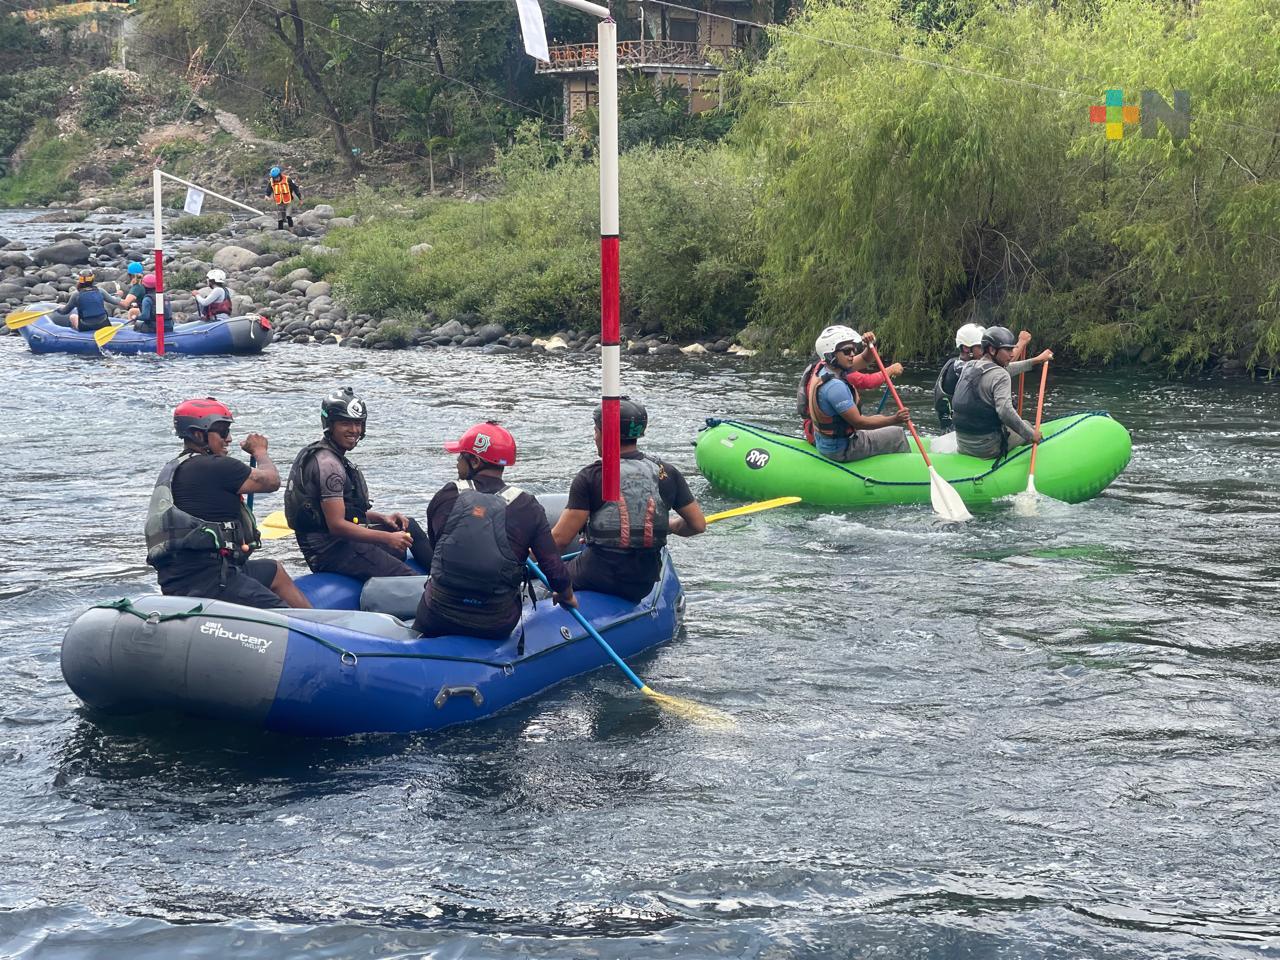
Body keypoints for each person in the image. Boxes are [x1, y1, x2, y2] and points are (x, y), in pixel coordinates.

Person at [145, 397, 311, 610]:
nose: (229, 438)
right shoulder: (215, 467)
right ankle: (306, 633)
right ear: (198, 434)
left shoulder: (176, 468)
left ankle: (323, 628)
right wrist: (260, 451)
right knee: (286, 619)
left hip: (186, 576)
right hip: (211, 581)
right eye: (222, 431)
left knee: (274, 571)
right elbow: (271, 481)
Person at [414, 421, 575, 640]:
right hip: (495, 622)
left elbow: (438, 549)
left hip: (437, 615)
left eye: (461, 456)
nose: (457, 463)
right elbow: (553, 567)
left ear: (475, 461)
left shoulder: (447, 495)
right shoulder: (527, 505)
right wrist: (566, 596)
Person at [551, 399, 706, 604]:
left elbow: (559, 541)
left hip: (597, 575)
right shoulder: (666, 472)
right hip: (643, 581)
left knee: (545, 581)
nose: (594, 436)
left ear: (603, 433)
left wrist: (522, 556)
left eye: (596, 430)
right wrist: (671, 525)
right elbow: (697, 525)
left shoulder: (592, 475)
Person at [284, 387, 432, 583]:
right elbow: (336, 525)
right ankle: (434, 597)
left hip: (341, 539)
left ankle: (445, 580)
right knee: (409, 579)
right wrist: (387, 538)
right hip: (328, 550)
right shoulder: (329, 466)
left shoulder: (332, 456)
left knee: (408, 525)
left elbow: (340, 512)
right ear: (330, 425)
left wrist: (382, 517)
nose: (354, 430)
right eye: (346, 423)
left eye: (358, 424)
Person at [805, 325, 912, 462]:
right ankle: (904, 474)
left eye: (853, 350)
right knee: (897, 434)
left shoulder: (826, 368)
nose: (852, 354)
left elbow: (866, 359)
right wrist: (895, 419)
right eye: (847, 351)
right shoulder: (834, 387)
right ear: (831, 354)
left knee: (879, 418)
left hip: (828, 443)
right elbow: (859, 422)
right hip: (842, 449)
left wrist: (869, 345)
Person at [952, 325, 1054, 459]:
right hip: (987, 448)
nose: (1012, 354)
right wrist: (1031, 434)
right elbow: (1005, 411)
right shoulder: (1001, 376)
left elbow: (1004, 369)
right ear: (992, 350)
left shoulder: (969, 366)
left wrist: (1035, 361)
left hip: (962, 444)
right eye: (1008, 349)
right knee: (1027, 425)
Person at [934, 322, 986, 432]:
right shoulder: (960, 368)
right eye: (981, 347)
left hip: (962, 428)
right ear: (967, 348)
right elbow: (997, 370)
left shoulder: (959, 364)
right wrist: (1021, 343)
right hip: (954, 434)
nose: (985, 352)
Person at [54, 271, 123, 333]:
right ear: (92, 280)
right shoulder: (100, 291)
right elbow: (115, 301)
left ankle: (77, 336)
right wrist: (119, 295)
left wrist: (58, 309)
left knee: (72, 317)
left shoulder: (76, 294)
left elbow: (65, 311)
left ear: (80, 280)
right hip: (103, 324)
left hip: (86, 327)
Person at [264, 165, 301, 230]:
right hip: (279, 202)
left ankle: (291, 231)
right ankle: (280, 232)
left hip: (288, 201)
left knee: (288, 216)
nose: (275, 179)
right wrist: (267, 196)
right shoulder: (271, 181)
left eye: (276, 177)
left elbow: (295, 188)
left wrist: (300, 198)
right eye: (274, 178)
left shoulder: (288, 179)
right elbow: (268, 190)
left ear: (280, 175)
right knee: (280, 219)